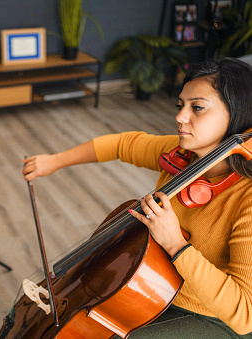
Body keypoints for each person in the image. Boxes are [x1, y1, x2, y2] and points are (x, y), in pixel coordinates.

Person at [22, 57, 252, 338]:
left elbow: (244, 315)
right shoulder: (183, 155)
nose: (180, 117)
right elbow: (123, 144)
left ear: (238, 114)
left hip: (210, 313)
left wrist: (176, 244)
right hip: (156, 288)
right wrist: (55, 160)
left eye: (198, 107)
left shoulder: (247, 198)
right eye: (181, 105)